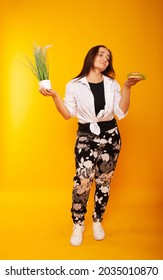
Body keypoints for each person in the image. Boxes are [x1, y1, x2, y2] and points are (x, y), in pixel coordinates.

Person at [39, 45, 141, 246]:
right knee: (83, 180)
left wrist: (127, 87)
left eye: (108, 57)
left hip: (111, 135)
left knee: (104, 181)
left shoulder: (112, 84)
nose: (105, 58)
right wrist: (55, 96)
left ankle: (97, 220)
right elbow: (67, 114)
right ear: (91, 57)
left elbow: (121, 112)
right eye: (101, 54)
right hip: (86, 135)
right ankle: (78, 223)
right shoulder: (75, 84)